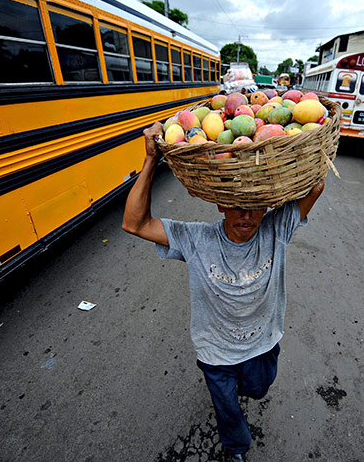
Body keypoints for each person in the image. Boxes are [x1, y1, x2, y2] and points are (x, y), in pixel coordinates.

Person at [122, 122, 324, 462]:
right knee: (228, 408)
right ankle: (236, 449)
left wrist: (295, 153)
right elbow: (134, 224)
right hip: (215, 350)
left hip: (262, 343)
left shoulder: (276, 228)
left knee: (258, 389)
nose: (246, 216)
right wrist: (150, 161)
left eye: (255, 206)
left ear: (267, 206)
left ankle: (248, 389)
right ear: (220, 204)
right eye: (236, 206)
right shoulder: (196, 239)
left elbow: (315, 186)